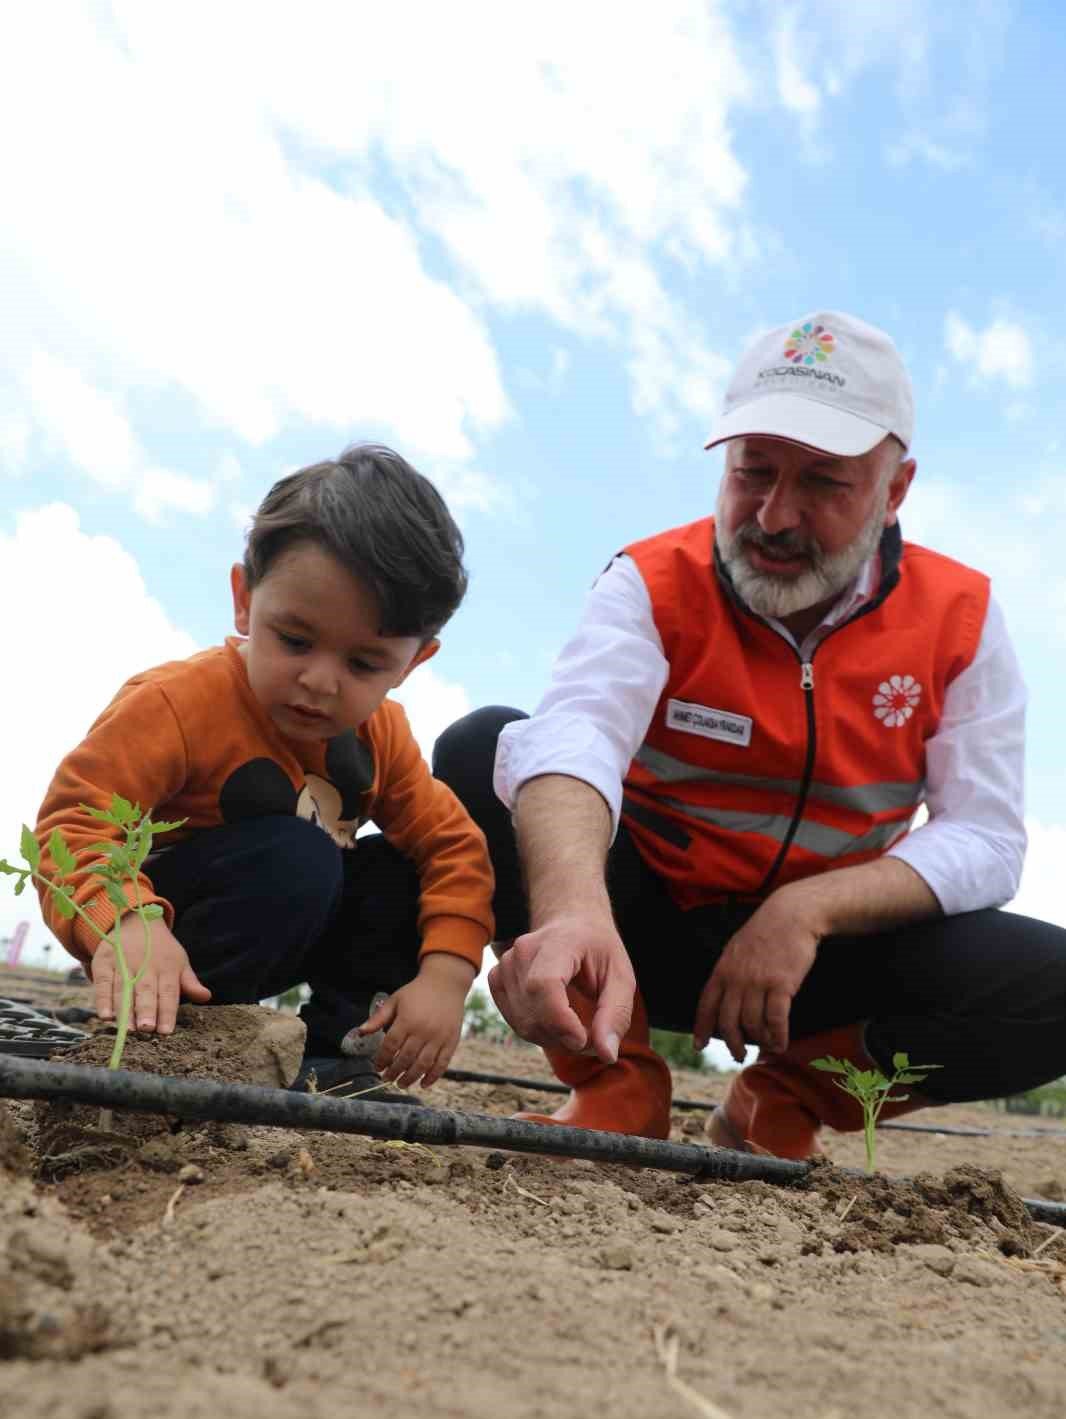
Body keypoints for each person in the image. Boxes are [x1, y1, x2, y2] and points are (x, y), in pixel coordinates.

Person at [434, 310, 1066, 1157]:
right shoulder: (652, 581)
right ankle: (613, 1079)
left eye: (825, 484)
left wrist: (806, 912)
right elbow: (575, 735)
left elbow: (986, 838)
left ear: (895, 492)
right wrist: (576, 910)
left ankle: (784, 1096)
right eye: (752, 472)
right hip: (637, 935)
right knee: (484, 750)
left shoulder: (961, 618)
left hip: (818, 967)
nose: (773, 517)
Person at [35, 444, 493, 1100]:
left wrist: (447, 973)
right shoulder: (177, 703)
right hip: (174, 940)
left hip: (296, 915)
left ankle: (336, 1057)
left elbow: (453, 848)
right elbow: (75, 823)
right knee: (296, 854)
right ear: (245, 601)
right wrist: (129, 922)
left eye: (364, 664)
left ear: (413, 663)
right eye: (296, 641)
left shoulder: (384, 737)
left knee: (397, 869)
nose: (320, 681)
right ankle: (186, 1041)